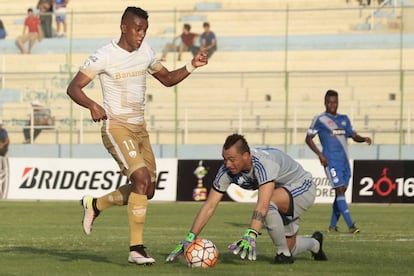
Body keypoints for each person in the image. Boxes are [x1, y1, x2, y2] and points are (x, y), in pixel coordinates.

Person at [66, 6, 208, 266]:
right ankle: (136, 249)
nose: (141, 35)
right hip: (116, 126)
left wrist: (191, 66)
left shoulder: (146, 53)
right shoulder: (104, 56)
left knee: (147, 189)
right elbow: (73, 88)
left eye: (145, 30)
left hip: (140, 129)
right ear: (124, 28)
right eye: (137, 29)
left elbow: (166, 79)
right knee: (141, 178)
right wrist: (93, 105)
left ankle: (96, 204)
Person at [166, 134, 327, 264]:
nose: (227, 164)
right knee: (290, 246)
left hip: (302, 186)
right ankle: (315, 244)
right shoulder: (226, 171)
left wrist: (250, 234)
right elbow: (210, 205)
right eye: (225, 159)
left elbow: (263, 205)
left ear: (246, 155)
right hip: (281, 193)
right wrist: (190, 237)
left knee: (269, 205)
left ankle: (282, 256)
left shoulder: (263, 164)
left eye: (232, 159)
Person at [305, 90, 372, 234]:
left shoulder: (344, 119)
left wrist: (363, 139)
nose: (332, 105)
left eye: (334, 102)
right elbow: (308, 138)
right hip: (330, 161)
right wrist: (320, 154)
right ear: (325, 103)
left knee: (340, 193)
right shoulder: (320, 119)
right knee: (339, 189)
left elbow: (353, 136)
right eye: (329, 102)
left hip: (344, 163)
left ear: (338, 102)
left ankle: (332, 226)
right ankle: (350, 225)